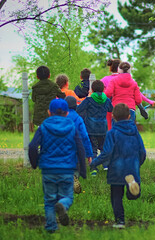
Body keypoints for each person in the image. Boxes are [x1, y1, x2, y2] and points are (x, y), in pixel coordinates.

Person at [28, 98, 86, 232]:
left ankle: (51, 227)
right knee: (68, 196)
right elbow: (80, 148)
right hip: (67, 170)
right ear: (67, 113)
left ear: (49, 112)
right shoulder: (71, 126)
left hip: (48, 170)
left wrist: (35, 163)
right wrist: (82, 169)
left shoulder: (43, 126)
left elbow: (32, 147)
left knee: (49, 201)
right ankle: (63, 205)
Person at [90, 103, 146, 228]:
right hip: (132, 167)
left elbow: (107, 153)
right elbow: (142, 151)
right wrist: (138, 164)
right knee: (131, 195)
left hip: (116, 169)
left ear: (113, 116)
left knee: (116, 196)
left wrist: (93, 163)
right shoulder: (135, 131)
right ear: (128, 116)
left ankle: (120, 222)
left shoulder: (112, 133)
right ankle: (133, 191)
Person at [77, 80, 113, 175]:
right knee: (103, 147)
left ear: (92, 89)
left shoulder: (89, 100)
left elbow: (79, 109)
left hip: (91, 128)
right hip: (103, 127)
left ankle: (93, 168)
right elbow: (110, 109)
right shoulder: (106, 99)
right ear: (103, 89)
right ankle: (106, 165)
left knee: (93, 148)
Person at [65, 96, 93, 193]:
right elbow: (85, 137)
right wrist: (89, 154)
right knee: (77, 167)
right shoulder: (78, 119)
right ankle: (74, 178)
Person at [101, 59, 121, 130]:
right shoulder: (124, 79)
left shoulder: (104, 79)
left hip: (109, 106)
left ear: (111, 68)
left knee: (110, 127)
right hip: (123, 106)